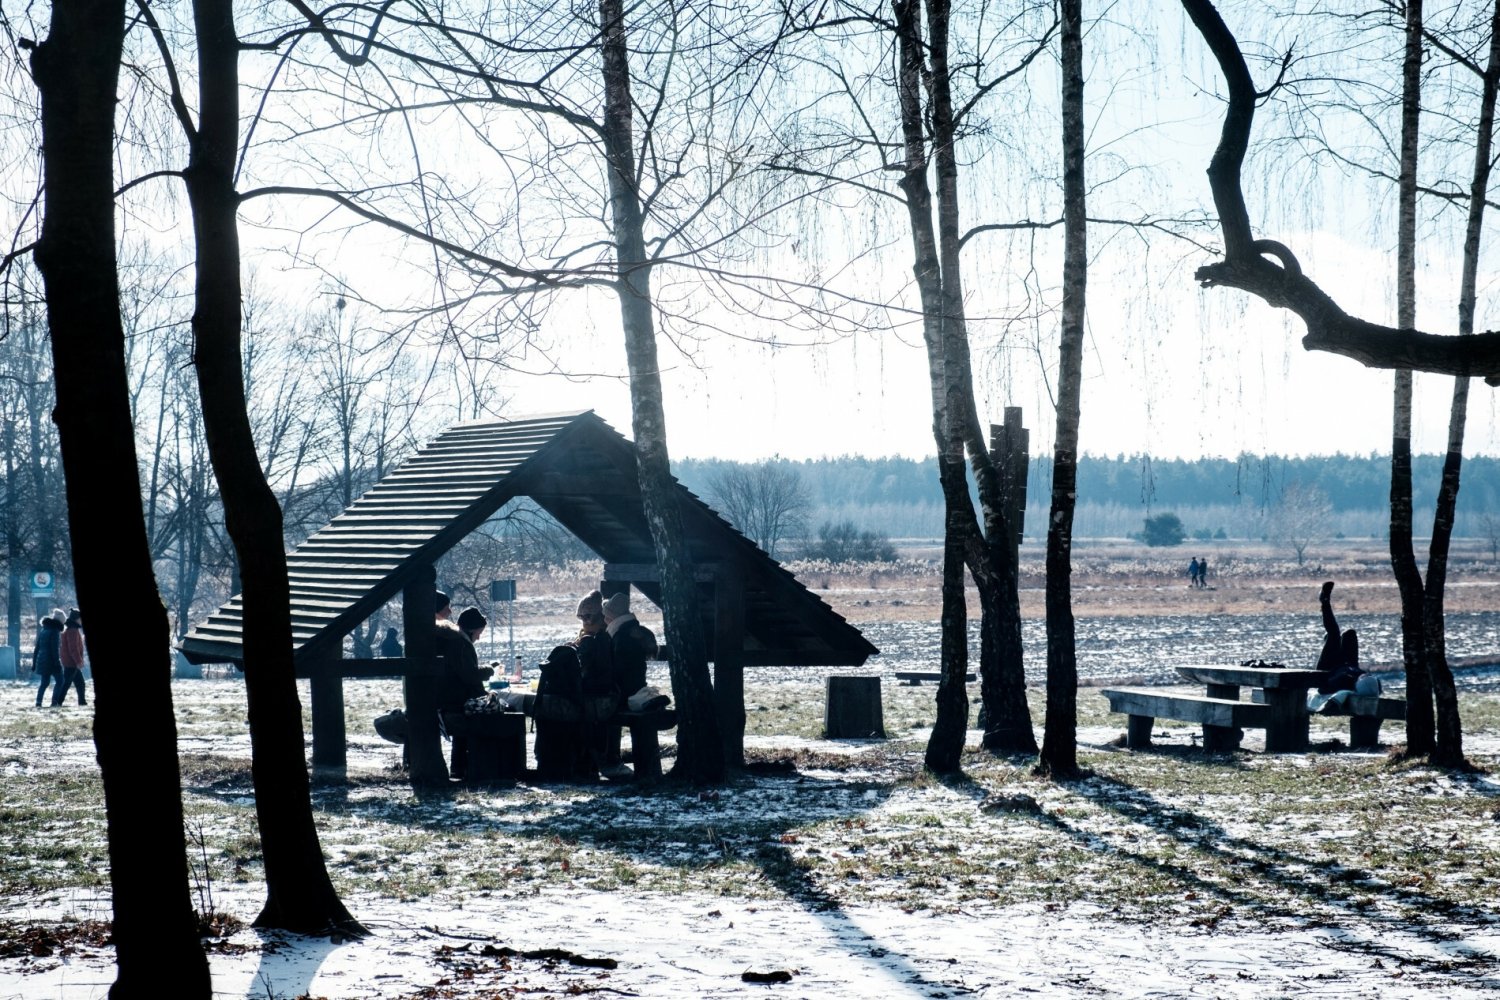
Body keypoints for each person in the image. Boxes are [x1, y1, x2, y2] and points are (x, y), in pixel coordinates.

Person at [603, 591, 658, 770]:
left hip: (624, 695)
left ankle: (609, 758)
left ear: (612, 618)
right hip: (637, 690)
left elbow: (619, 671)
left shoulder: (620, 638)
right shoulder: (635, 633)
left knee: (603, 713)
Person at [434, 605, 489, 779]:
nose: (478, 638)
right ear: (472, 630)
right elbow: (469, 676)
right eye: (479, 633)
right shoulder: (461, 644)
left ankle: (459, 768)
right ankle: (466, 767)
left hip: (445, 697)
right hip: (455, 700)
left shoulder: (453, 639)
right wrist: (487, 671)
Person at [572, 591, 616, 773]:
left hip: (599, 693)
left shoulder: (602, 638)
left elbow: (593, 670)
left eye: (587, 616)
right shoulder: (586, 637)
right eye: (580, 617)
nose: (584, 621)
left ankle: (593, 760)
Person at [1313, 581, 1362, 694]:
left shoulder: (1349, 685)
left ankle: (1325, 602)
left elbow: (1328, 688)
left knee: (1334, 634)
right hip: (1346, 665)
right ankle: (1329, 640)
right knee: (1350, 634)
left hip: (1328, 671)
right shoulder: (1361, 677)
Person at [32, 609, 64, 709]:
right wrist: (57, 663)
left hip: (42, 660)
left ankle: (38, 702)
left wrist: (34, 663)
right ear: (60, 621)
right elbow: (54, 649)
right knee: (60, 681)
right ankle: (54, 702)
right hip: (51, 661)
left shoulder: (44, 630)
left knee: (44, 683)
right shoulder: (55, 631)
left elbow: (37, 648)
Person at [55, 608, 86, 707]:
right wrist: (78, 661)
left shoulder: (71, 628)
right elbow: (73, 648)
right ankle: (58, 702)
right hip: (71, 662)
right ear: (76, 619)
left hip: (70, 661)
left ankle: (82, 702)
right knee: (66, 684)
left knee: (80, 683)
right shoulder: (72, 630)